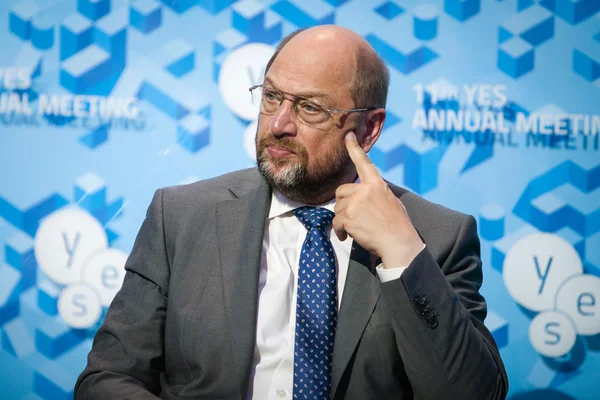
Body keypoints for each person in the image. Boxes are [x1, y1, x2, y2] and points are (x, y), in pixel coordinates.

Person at [75, 25, 508, 400]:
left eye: (309, 108)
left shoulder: (439, 235)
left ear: (369, 127)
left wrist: (403, 253)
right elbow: (108, 376)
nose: (278, 123)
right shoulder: (182, 217)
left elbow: (472, 392)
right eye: (272, 97)